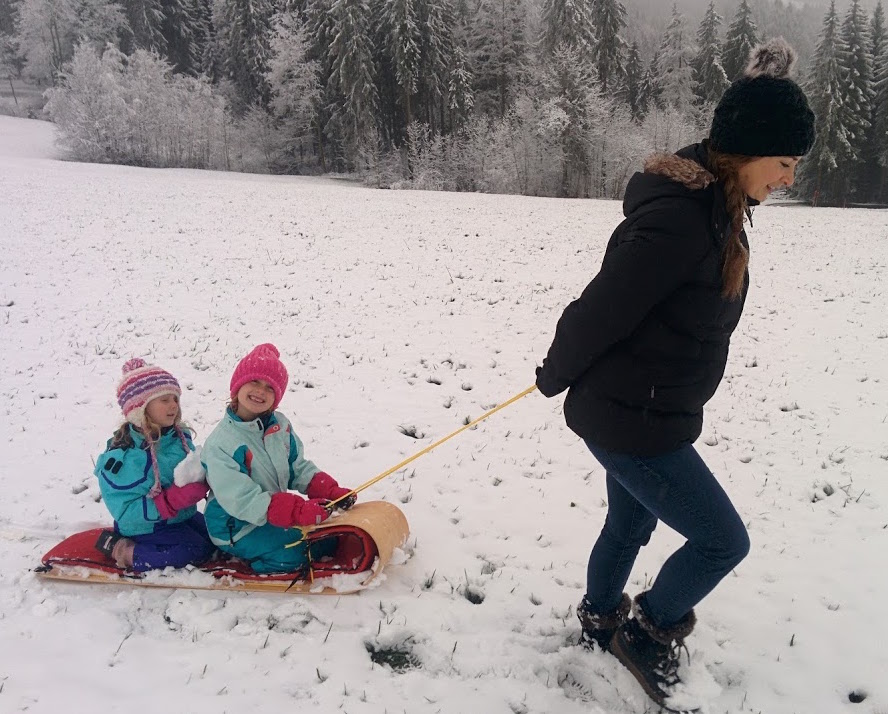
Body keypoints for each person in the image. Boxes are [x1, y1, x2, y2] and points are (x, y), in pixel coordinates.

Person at [535, 38, 815, 709]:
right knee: (723, 541)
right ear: (745, 155)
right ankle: (650, 633)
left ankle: (600, 620)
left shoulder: (717, 209)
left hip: (644, 408)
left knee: (629, 527)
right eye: (783, 163)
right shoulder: (681, 223)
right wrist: (555, 374)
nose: (789, 178)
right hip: (633, 418)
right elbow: (600, 308)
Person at [201, 343, 357, 574]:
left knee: (329, 540)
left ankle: (276, 544)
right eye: (254, 381)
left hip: (270, 516)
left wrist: (330, 491)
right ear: (237, 385)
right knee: (295, 554)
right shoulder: (222, 444)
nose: (260, 391)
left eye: (270, 387)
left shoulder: (280, 426)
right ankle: (249, 566)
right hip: (235, 527)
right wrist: (296, 512)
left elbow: (296, 467)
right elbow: (241, 499)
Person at [94, 359, 214, 571]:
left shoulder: (179, 438)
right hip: (144, 525)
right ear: (140, 408)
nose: (173, 406)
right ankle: (123, 550)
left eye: (175, 399)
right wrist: (168, 502)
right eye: (164, 400)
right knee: (196, 550)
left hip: (179, 517)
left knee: (217, 535)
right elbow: (123, 510)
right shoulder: (126, 456)